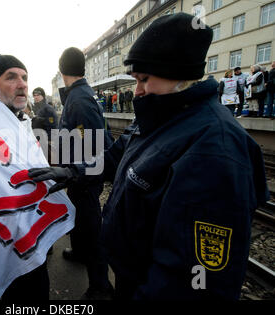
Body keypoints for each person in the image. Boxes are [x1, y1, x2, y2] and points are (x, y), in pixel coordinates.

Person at [28, 13, 268, 300]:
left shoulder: (215, 149)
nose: (137, 91)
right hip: (132, 276)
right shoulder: (160, 114)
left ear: (177, 75)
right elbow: (115, 156)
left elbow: (192, 282)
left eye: (143, 79)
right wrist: (74, 172)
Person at [0, 54, 50, 301]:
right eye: (11, 77)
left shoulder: (16, 121)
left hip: (27, 238)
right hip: (10, 244)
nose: (22, 83)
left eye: (24, 77)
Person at [56, 47, 114, 300]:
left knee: (91, 228)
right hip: (79, 173)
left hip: (84, 175)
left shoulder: (78, 100)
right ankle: (80, 253)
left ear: (61, 70)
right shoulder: (79, 95)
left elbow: (92, 144)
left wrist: (77, 170)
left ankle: (101, 286)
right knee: (81, 220)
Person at [31, 87, 58, 164]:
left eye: (38, 95)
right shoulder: (34, 108)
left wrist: (49, 141)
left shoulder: (48, 109)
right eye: (34, 95)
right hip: (36, 142)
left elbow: (53, 126)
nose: (36, 97)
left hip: (46, 142)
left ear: (43, 96)